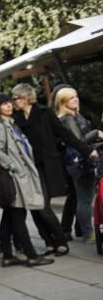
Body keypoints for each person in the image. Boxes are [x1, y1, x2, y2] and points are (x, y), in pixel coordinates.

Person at [11, 83, 98, 255]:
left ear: (27, 98)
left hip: (48, 166)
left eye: (16, 98)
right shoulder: (15, 118)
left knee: (42, 206)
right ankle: (49, 241)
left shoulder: (44, 113)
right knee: (36, 206)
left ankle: (60, 240)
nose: (13, 101)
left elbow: (65, 134)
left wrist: (87, 150)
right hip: (29, 168)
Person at [0, 93, 55, 268]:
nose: (9, 106)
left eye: (9, 103)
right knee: (18, 215)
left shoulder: (11, 124)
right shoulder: (0, 127)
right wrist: (14, 167)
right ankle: (31, 255)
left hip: (20, 176)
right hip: (14, 177)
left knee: (10, 217)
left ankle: (8, 256)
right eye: (4, 104)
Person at [55, 86, 103, 243]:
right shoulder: (67, 119)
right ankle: (88, 233)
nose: (75, 99)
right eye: (71, 98)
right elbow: (79, 142)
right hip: (80, 163)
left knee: (83, 198)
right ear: (62, 102)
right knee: (85, 200)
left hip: (83, 161)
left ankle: (84, 230)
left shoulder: (74, 115)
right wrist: (96, 133)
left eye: (76, 96)